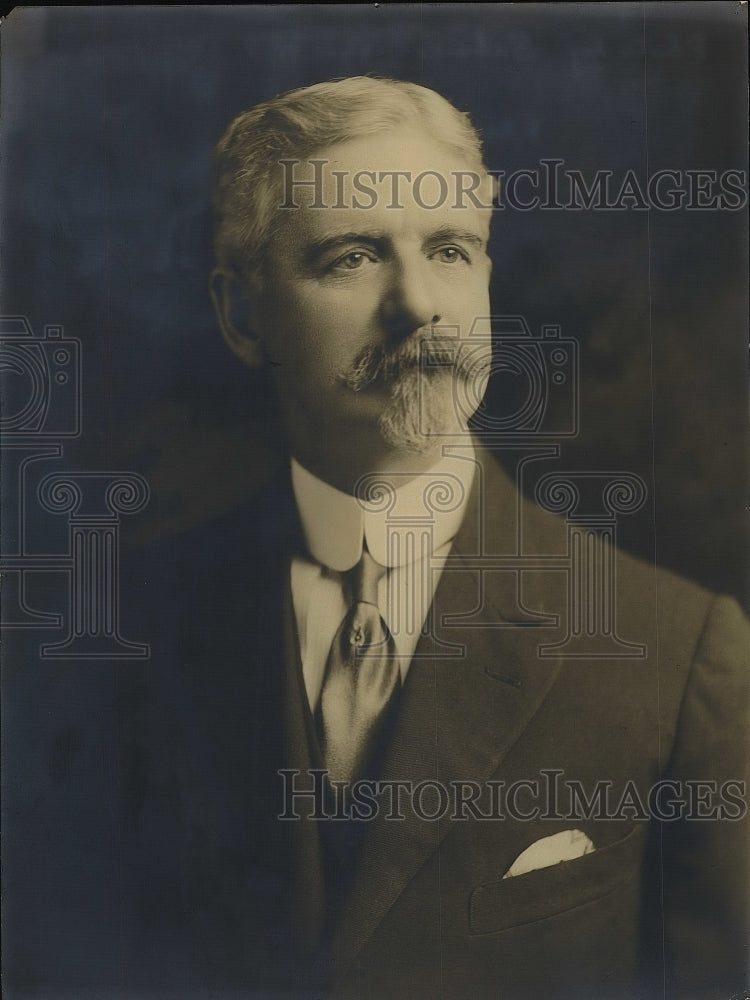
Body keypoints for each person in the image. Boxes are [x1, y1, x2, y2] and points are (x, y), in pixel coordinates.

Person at [5, 76, 747, 1000]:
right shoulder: (115, 637)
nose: (418, 306)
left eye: (449, 251)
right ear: (242, 315)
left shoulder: (678, 655)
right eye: (352, 257)